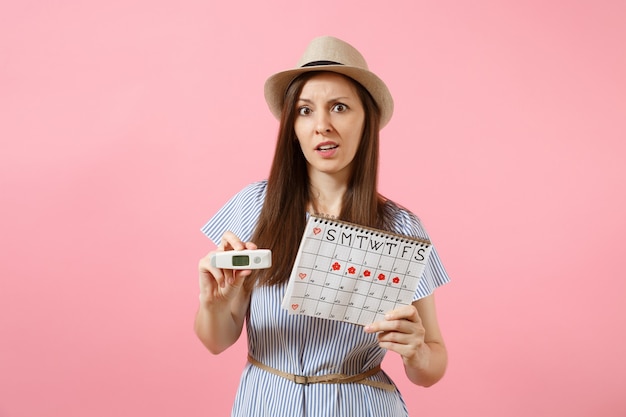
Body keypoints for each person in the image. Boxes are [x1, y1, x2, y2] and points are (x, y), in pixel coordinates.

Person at [194, 35, 450, 416]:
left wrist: (416, 351)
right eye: (305, 111)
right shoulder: (253, 205)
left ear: (367, 119)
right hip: (266, 403)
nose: (322, 126)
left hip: (360, 405)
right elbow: (216, 341)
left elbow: (432, 366)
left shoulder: (402, 227)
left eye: (340, 107)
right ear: (291, 127)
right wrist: (213, 306)